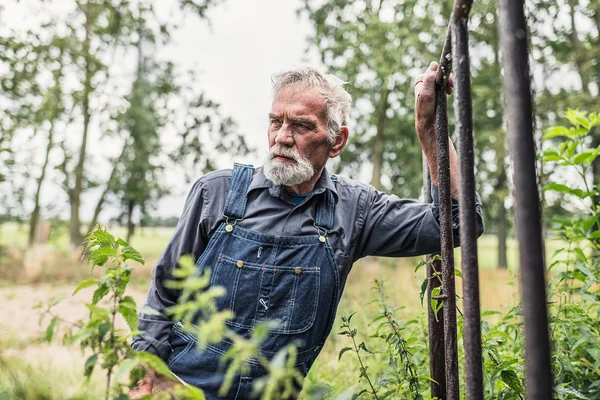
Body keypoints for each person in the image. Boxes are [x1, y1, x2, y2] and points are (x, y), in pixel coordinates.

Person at [130, 62, 484, 399]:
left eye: (300, 126)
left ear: (337, 141)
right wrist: (145, 372)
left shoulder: (355, 210)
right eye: (275, 122)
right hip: (180, 390)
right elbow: (163, 291)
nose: (282, 137)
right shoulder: (216, 193)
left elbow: (457, 224)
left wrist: (429, 131)